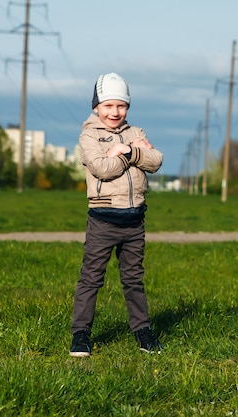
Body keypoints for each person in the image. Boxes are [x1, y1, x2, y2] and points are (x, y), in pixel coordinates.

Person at [69, 72, 164, 357]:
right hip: (103, 218)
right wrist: (133, 154)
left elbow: (156, 160)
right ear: (96, 106)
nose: (115, 112)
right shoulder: (89, 135)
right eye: (108, 105)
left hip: (135, 219)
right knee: (91, 278)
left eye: (121, 106)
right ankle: (81, 335)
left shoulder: (135, 132)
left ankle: (143, 332)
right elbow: (102, 168)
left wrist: (123, 150)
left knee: (134, 279)